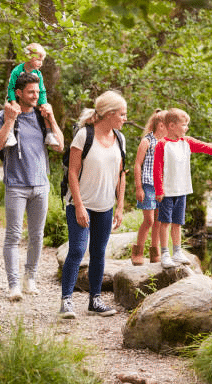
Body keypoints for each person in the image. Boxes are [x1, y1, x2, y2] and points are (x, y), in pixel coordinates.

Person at [0, 72, 64, 301]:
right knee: (12, 236)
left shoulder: (42, 117)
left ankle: (29, 277)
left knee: (37, 235)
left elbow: (60, 146)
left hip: (41, 185)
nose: (35, 96)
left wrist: (51, 119)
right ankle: (13, 285)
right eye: (31, 92)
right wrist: (11, 120)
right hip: (16, 184)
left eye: (38, 92)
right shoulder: (3, 115)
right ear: (19, 93)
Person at [59, 90, 127, 319]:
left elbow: (121, 174)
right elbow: (73, 172)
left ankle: (95, 301)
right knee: (78, 250)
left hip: (106, 206)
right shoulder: (84, 135)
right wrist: (78, 206)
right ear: (109, 114)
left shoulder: (120, 138)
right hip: (81, 203)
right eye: (122, 114)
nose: (125, 118)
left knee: (99, 252)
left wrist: (120, 206)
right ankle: (66, 301)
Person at [153, 108, 212, 269]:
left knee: (177, 222)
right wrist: (159, 190)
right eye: (184, 124)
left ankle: (177, 251)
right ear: (172, 125)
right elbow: (157, 168)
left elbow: (208, 147)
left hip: (182, 190)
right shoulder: (162, 145)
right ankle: (165, 253)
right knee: (165, 222)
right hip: (167, 192)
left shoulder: (187, 142)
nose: (186, 128)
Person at [4, 43, 59, 147]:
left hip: (32, 97)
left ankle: (49, 133)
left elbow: (42, 91)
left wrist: (43, 104)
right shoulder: (17, 71)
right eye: (38, 60)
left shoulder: (38, 74)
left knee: (46, 110)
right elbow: (11, 88)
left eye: (42, 60)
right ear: (28, 57)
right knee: (9, 108)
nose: (41, 63)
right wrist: (14, 102)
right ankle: (10, 134)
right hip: (15, 97)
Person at [131, 108, 167, 265]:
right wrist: (139, 187)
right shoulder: (147, 141)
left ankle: (154, 252)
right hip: (147, 185)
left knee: (159, 220)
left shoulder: (167, 142)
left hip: (162, 187)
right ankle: (138, 252)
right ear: (160, 124)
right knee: (149, 220)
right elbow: (137, 164)